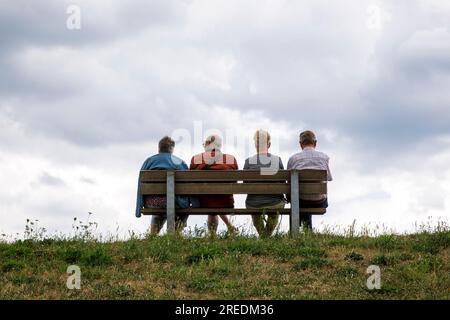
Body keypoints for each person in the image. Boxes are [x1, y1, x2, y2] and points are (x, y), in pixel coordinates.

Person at [135, 136, 191, 235]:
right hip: (175, 202)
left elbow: (140, 183)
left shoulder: (149, 161)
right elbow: (188, 184)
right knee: (182, 207)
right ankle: (176, 234)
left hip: (152, 203)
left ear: (159, 148)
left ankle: (153, 235)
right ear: (172, 149)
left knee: (159, 207)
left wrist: (139, 209)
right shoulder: (179, 162)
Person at [190, 134, 238, 235]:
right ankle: (227, 228)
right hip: (226, 202)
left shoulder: (196, 159)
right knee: (217, 198)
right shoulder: (230, 159)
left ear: (208, 144)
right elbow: (235, 183)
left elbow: (191, 182)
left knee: (210, 198)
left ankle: (212, 236)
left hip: (203, 203)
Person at [244, 130, 286, 237]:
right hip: (275, 202)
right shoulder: (277, 160)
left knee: (255, 211)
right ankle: (266, 237)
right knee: (274, 212)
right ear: (269, 144)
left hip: (254, 203)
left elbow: (245, 185)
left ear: (255, 145)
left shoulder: (248, 162)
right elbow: (283, 183)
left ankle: (263, 237)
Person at [287, 130, 332, 229]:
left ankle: (295, 232)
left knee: (298, 196)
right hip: (319, 202)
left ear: (300, 144)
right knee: (310, 194)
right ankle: (307, 231)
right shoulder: (324, 158)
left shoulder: (293, 159)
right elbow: (328, 178)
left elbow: (289, 182)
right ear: (315, 142)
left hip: (300, 201)